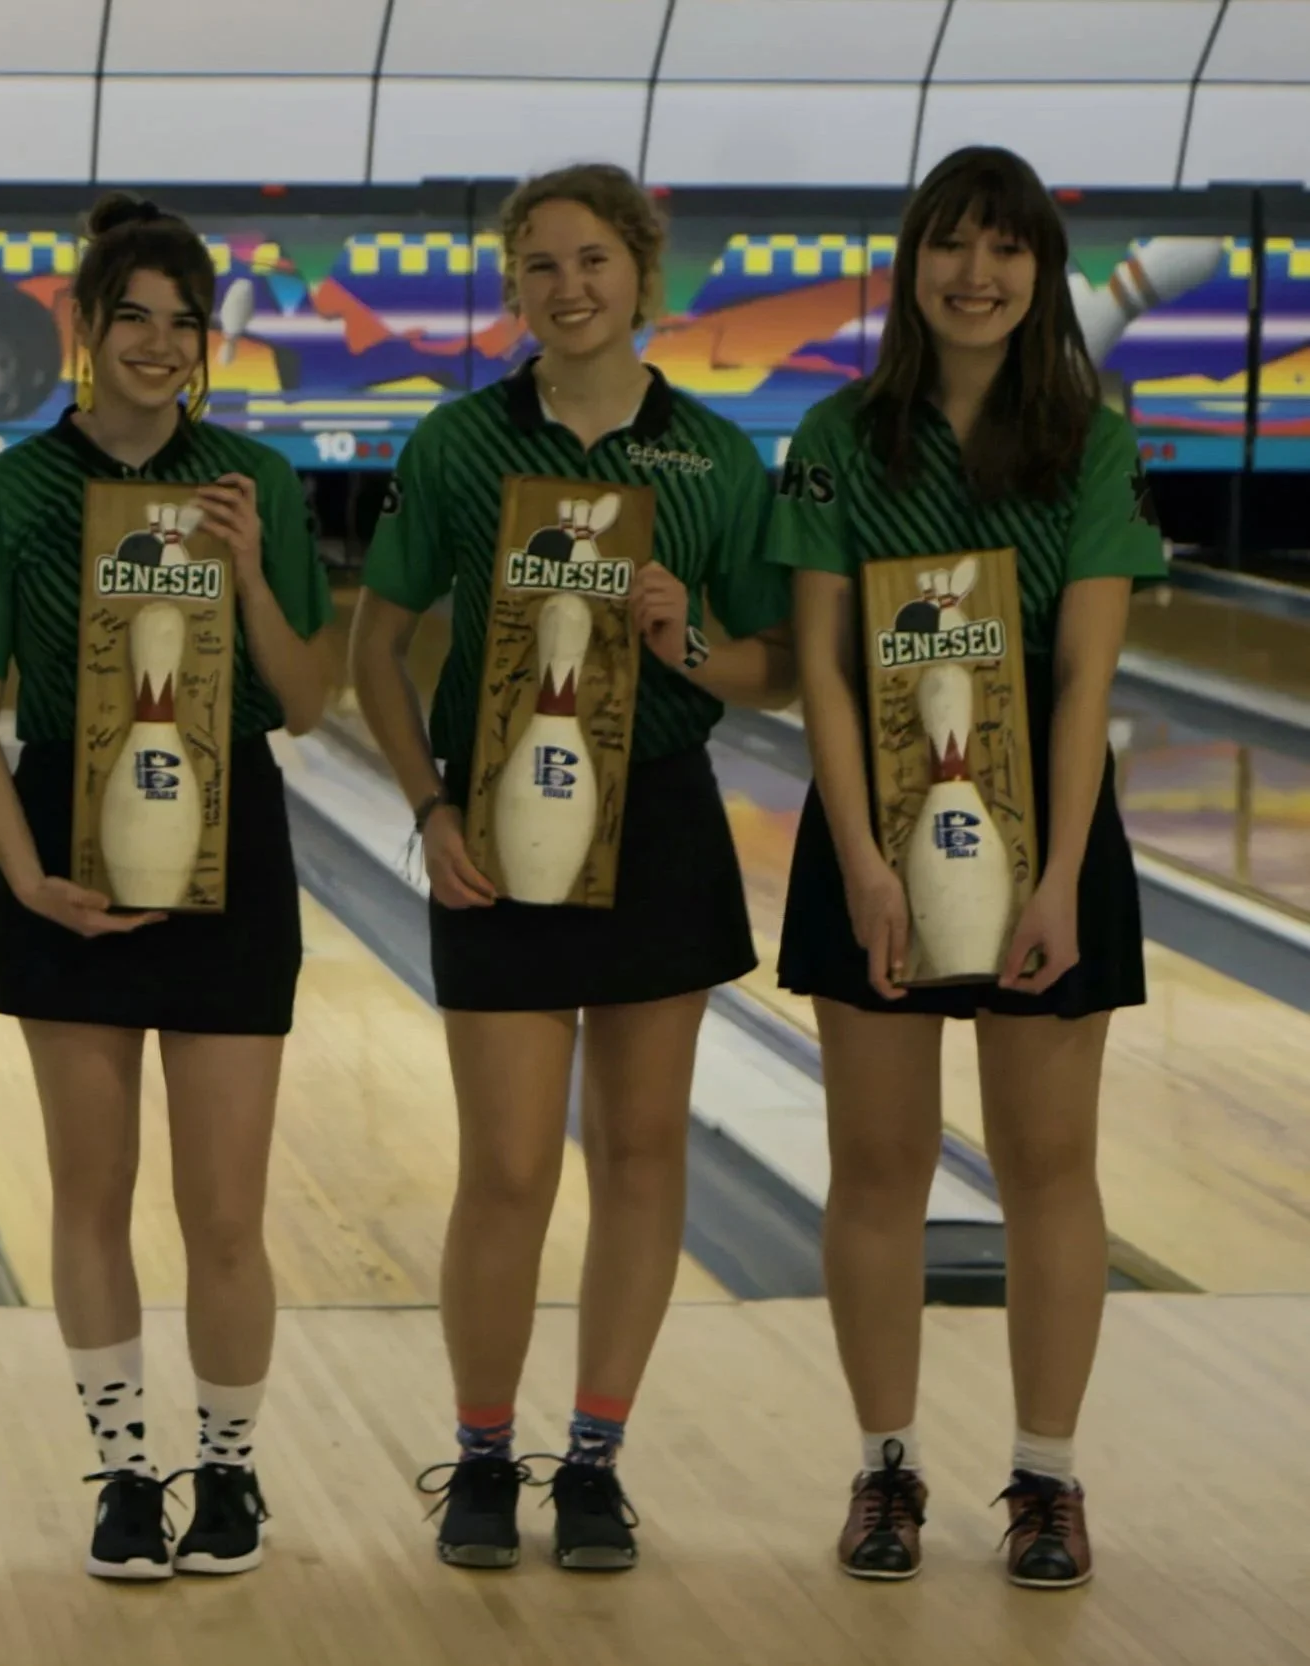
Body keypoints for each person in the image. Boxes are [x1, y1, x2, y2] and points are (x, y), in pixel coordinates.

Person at [349, 163, 796, 1573]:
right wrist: (426, 807)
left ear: (643, 274)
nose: (569, 286)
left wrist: (690, 643)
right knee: (504, 1165)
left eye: (593, 258)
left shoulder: (717, 462)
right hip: (495, 821)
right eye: (538, 265)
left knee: (645, 1150)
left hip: (657, 812)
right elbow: (377, 642)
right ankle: (483, 1452)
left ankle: (594, 1457)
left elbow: (773, 668)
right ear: (514, 290)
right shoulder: (461, 446)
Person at [770, 144, 1163, 1591]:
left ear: (1042, 271)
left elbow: (1081, 683)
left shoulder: (1090, 443)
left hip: (1050, 840)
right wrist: (864, 862)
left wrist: (1060, 875)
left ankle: (1047, 1479)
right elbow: (815, 661)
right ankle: (885, 1470)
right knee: (874, 1167)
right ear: (912, 262)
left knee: (1049, 1166)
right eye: (952, 243)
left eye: (1007, 248)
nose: (977, 273)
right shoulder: (837, 433)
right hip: (868, 836)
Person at [0, 194, 332, 1580]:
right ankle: (120, 1469)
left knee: (224, 1205)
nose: (161, 345)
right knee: (90, 1189)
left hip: (233, 836)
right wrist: (25, 872)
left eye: (184, 322)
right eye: (134, 319)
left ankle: (228, 1469)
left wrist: (255, 573)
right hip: (66, 840)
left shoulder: (253, 484)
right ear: (83, 328)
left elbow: (310, 700)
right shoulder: (10, 492)